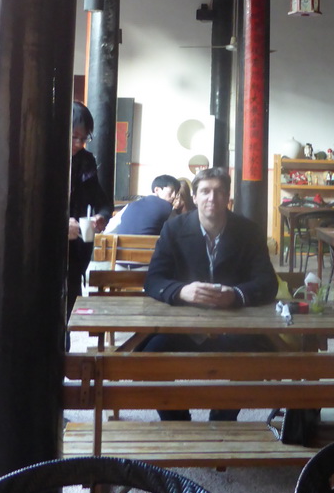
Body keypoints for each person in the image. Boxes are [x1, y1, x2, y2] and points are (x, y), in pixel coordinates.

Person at [142, 166, 279, 421]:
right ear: (194, 197)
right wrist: (183, 291)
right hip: (184, 327)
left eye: (218, 192)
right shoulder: (173, 229)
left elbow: (267, 282)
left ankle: (223, 416)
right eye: (204, 191)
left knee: (256, 359)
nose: (211, 198)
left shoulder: (248, 231)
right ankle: (176, 418)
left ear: (228, 197)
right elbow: (153, 280)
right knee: (149, 357)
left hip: (235, 328)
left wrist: (236, 295)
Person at [67, 101, 112, 322]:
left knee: (70, 309)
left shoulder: (86, 161)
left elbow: (101, 200)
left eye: (83, 139)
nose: (78, 144)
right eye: (74, 137)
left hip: (75, 251)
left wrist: (101, 217)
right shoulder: (44, 157)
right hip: (42, 255)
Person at [114, 174, 181, 236]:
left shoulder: (129, 206)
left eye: (176, 192)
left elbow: (109, 230)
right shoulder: (167, 207)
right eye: (171, 191)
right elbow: (176, 233)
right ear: (157, 190)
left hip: (121, 248)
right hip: (149, 248)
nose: (174, 196)